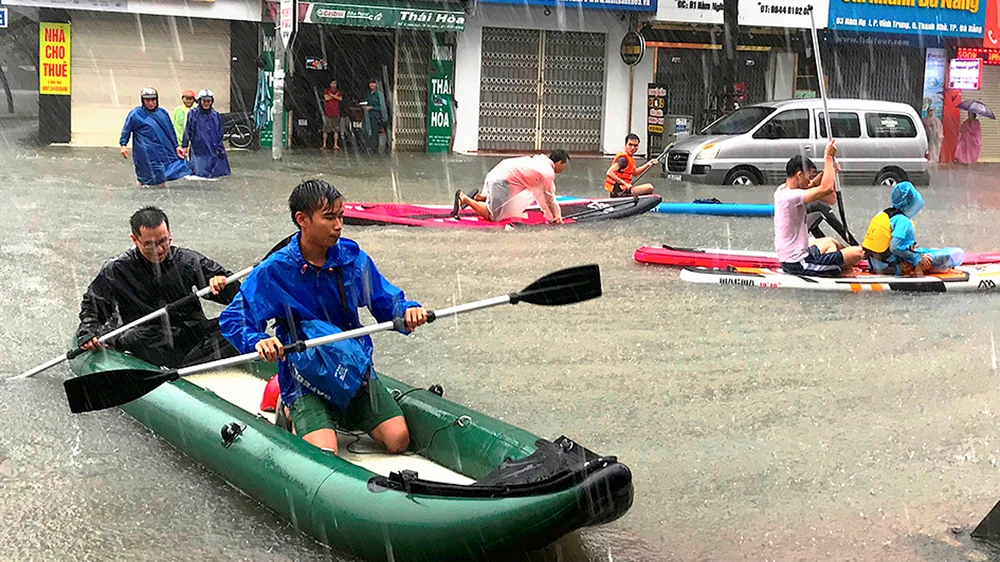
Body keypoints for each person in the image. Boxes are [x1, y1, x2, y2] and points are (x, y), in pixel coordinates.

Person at [219, 180, 427, 455]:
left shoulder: (353, 260)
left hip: (349, 364)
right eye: (329, 218)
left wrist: (406, 311)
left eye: (341, 216)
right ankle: (291, 406)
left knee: (397, 439)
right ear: (302, 220)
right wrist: (258, 340)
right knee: (326, 452)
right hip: (305, 374)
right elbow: (234, 318)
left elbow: (386, 301)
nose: (338, 225)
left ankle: (341, 411)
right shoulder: (275, 270)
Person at [76, 206, 240, 368]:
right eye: (150, 245)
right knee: (134, 337)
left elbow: (237, 297)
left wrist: (224, 285)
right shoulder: (116, 268)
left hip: (191, 334)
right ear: (134, 240)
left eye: (163, 241)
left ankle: (190, 365)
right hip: (149, 337)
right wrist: (89, 332)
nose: (159, 250)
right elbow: (94, 305)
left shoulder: (189, 260)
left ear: (169, 234)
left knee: (241, 322)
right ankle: (190, 364)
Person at [774, 141, 864, 277]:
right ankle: (839, 270)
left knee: (830, 242)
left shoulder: (782, 190)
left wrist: (830, 170)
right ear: (799, 175)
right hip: (798, 263)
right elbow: (825, 189)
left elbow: (812, 186)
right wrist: (828, 157)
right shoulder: (790, 197)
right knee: (858, 252)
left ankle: (842, 265)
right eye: (808, 177)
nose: (810, 182)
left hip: (797, 254)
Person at [862, 181, 964, 276]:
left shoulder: (884, 214)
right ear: (912, 202)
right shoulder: (903, 222)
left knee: (926, 251)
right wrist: (917, 258)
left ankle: (932, 265)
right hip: (892, 267)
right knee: (957, 253)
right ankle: (936, 268)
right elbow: (894, 247)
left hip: (875, 264)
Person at [453, 150, 569, 224]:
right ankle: (465, 198)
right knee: (493, 216)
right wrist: (557, 216)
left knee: (512, 199)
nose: (564, 168)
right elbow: (550, 198)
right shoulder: (547, 171)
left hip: (497, 173)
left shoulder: (539, 159)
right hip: (501, 181)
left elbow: (539, 193)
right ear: (559, 162)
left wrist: (549, 213)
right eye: (564, 165)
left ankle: (480, 198)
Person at [119, 88, 191, 188]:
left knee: (161, 176)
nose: (151, 103)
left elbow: (170, 131)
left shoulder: (162, 113)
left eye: (153, 100)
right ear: (143, 101)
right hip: (144, 152)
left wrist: (176, 146)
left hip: (161, 151)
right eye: (147, 100)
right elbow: (126, 129)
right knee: (145, 177)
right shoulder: (136, 114)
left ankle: (161, 197)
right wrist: (123, 145)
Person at [181, 89, 231, 179]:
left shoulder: (215, 115)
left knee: (213, 175)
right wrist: (184, 145)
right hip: (198, 150)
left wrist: (219, 148)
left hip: (212, 150)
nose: (206, 103)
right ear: (200, 101)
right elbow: (188, 130)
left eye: (209, 101)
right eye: (204, 101)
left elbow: (219, 133)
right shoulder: (193, 114)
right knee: (199, 175)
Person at [363, 79, 388, 154]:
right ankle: (368, 146)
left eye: (373, 83)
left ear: (376, 85)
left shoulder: (379, 94)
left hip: (376, 116)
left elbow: (382, 107)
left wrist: (372, 108)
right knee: (366, 131)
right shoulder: (369, 94)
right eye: (370, 83)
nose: (372, 85)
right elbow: (367, 101)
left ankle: (373, 149)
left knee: (374, 132)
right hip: (368, 115)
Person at [321, 79, 343, 151]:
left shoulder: (338, 92)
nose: (333, 85)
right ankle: (324, 144)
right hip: (327, 113)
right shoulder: (326, 90)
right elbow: (326, 98)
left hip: (336, 113)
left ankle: (335, 145)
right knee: (325, 130)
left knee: (336, 130)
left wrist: (332, 95)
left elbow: (340, 99)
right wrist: (334, 96)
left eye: (335, 83)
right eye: (332, 83)